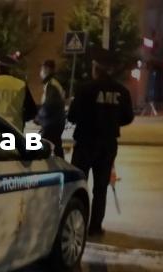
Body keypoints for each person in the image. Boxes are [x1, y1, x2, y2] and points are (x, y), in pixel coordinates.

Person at [67, 49, 134, 237]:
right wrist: (112, 123)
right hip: (107, 145)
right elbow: (128, 117)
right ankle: (95, 226)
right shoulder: (121, 91)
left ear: (96, 68)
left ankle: (75, 223)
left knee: (77, 185)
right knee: (101, 188)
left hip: (85, 143)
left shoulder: (85, 89)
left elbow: (72, 116)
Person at [0, 54, 37, 131]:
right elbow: (32, 111)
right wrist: (20, 118)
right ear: (9, 69)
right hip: (14, 130)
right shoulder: (21, 85)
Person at [35, 59, 66, 157]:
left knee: (42, 149)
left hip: (51, 124)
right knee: (56, 148)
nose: (41, 71)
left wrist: (38, 117)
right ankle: (60, 164)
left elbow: (49, 105)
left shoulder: (51, 85)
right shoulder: (53, 83)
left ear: (47, 69)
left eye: (43, 68)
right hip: (56, 123)